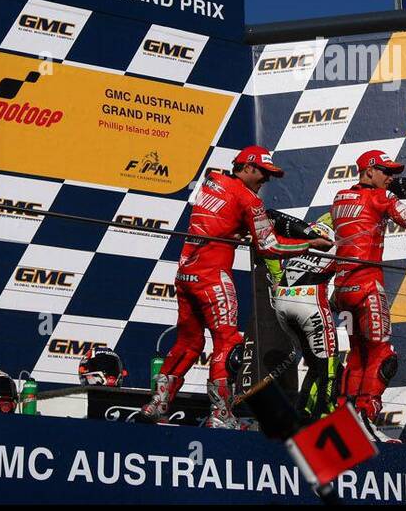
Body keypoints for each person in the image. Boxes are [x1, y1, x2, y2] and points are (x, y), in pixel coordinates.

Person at [139, 146, 330, 429]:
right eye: (263, 173)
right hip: (214, 276)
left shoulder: (211, 182)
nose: (265, 180)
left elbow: (219, 221)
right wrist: (309, 244)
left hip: (185, 274)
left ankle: (158, 403)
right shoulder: (249, 200)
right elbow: (269, 246)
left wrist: (238, 229)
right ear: (249, 167)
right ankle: (221, 414)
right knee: (228, 344)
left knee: (188, 343)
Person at [331, 149, 406, 443]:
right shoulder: (380, 197)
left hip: (342, 289)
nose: (390, 177)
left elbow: (389, 192)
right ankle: (366, 420)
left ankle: (345, 423)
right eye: (385, 171)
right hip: (367, 286)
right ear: (369, 171)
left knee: (358, 357)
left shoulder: (341, 198)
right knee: (383, 356)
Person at [263, 213, 340, 423]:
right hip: (310, 302)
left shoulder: (304, 233)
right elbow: (346, 281)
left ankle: (302, 417)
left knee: (315, 365)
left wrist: (277, 278)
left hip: (282, 302)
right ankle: (328, 422)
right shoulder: (343, 238)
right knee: (330, 369)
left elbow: (270, 238)